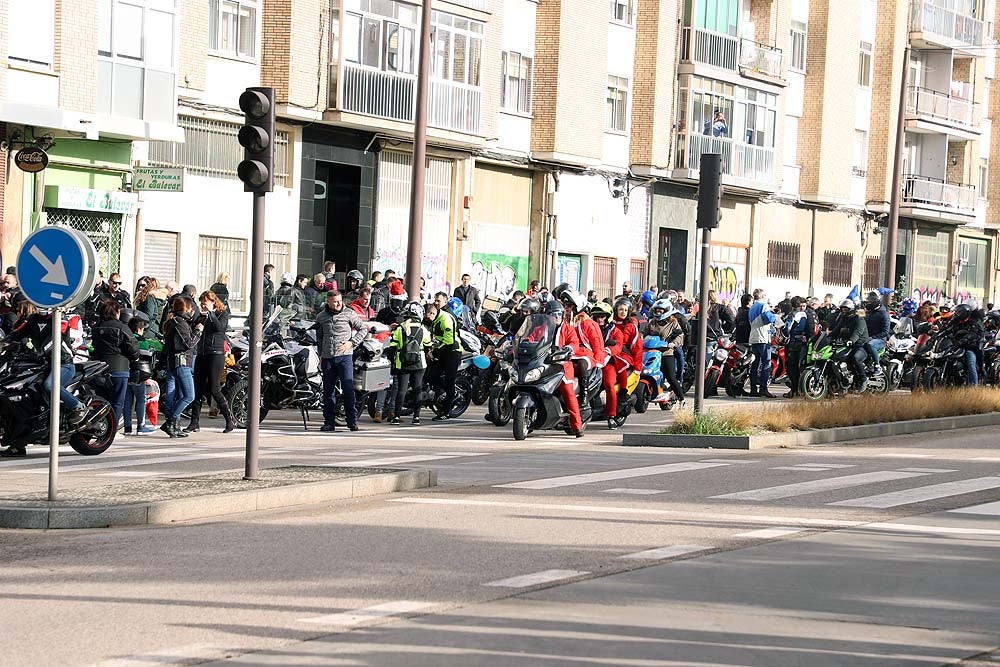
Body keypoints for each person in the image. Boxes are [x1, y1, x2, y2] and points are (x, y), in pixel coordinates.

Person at [315, 291, 367, 432]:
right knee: (328, 391)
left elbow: (363, 329)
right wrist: (320, 354)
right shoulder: (321, 317)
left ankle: (352, 421)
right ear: (328, 302)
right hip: (328, 358)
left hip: (345, 357)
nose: (338, 304)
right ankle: (329, 422)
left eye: (340, 300)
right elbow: (319, 337)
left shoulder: (349, 313)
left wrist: (352, 343)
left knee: (348, 389)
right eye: (335, 301)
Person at [185, 291, 234, 433]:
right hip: (202, 354)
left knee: (214, 389)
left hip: (216, 354)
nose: (203, 305)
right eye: (201, 302)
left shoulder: (222, 314)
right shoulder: (202, 316)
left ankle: (229, 419)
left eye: (205, 302)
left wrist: (211, 314)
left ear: (213, 302)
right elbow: (193, 329)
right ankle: (194, 422)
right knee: (198, 389)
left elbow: (220, 328)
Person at [90, 299, 140, 427]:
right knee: (117, 402)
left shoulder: (96, 328)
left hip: (99, 368)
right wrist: (134, 357)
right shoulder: (122, 327)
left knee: (101, 400)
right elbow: (133, 347)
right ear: (116, 313)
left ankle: (101, 426)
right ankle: (112, 428)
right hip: (119, 368)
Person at [160, 297, 203, 438]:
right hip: (182, 363)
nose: (192, 311)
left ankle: (175, 426)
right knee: (189, 396)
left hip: (176, 362)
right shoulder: (179, 323)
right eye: (191, 308)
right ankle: (171, 421)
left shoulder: (176, 322)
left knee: (179, 395)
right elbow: (188, 344)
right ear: (185, 309)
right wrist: (198, 332)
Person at [385, 302, 433, 425]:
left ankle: (396, 416)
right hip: (419, 362)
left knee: (401, 390)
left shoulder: (400, 328)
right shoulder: (423, 329)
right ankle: (416, 417)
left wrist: (392, 360)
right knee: (417, 388)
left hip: (402, 362)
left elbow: (392, 347)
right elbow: (428, 346)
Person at [543, 300, 584, 436]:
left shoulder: (568, 329)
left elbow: (574, 343)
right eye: (552, 315)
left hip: (562, 365)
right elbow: (531, 337)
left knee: (568, 392)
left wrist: (567, 349)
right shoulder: (541, 328)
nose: (555, 318)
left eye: (558, 315)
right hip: (544, 364)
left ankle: (577, 425)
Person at [605, 298, 644, 422]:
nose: (623, 312)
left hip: (624, 356)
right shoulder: (609, 324)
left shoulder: (631, 326)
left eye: (625, 310)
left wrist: (638, 368)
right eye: (621, 309)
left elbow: (637, 347)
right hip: (608, 354)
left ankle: (623, 392)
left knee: (621, 366)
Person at [427, 298, 464, 422]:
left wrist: (434, 352)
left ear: (432, 313)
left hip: (452, 352)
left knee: (449, 380)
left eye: (428, 315)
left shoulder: (445, 320)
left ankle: (446, 411)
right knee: (432, 375)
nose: (427, 318)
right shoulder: (433, 319)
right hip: (442, 350)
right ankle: (442, 393)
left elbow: (449, 341)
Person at [643, 299, 686, 406]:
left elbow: (680, 336)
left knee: (671, 377)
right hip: (651, 352)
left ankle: (682, 400)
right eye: (656, 310)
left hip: (666, 353)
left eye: (660, 311)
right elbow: (644, 334)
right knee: (644, 372)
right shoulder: (652, 322)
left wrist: (673, 343)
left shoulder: (673, 323)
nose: (658, 312)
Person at [123, 316, 157, 435]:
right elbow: (148, 356)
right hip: (139, 375)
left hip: (126, 373)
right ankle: (141, 426)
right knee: (141, 399)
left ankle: (127, 427)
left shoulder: (125, 340)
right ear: (139, 329)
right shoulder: (143, 342)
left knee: (127, 401)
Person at [748, 289, 783, 398]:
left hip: (754, 337)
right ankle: (763, 388)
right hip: (763, 337)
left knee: (755, 364)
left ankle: (753, 389)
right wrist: (777, 316)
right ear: (762, 296)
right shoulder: (764, 305)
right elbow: (768, 318)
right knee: (766, 363)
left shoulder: (752, 307)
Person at [829, 299, 870, 392]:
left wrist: (851, 341)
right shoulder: (844, 319)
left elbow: (857, 333)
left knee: (856, 358)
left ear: (851, 309)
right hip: (847, 345)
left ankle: (864, 380)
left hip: (860, 345)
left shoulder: (859, 319)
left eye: (846, 309)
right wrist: (827, 337)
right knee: (834, 357)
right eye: (842, 309)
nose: (844, 311)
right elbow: (836, 330)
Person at [783, 296, 817, 398]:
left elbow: (787, 329)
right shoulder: (802, 314)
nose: (802, 308)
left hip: (798, 344)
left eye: (804, 305)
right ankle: (796, 390)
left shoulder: (801, 314)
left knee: (795, 368)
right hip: (797, 344)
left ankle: (797, 390)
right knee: (794, 368)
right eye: (800, 306)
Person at [946, 303, 985, 385]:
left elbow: (972, 334)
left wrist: (961, 341)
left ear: (964, 313)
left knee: (971, 365)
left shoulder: (974, 322)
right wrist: (934, 338)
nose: (957, 314)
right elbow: (946, 330)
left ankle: (974, 386)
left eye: (959, 312)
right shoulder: (955, 321)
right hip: (955, 346)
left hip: (969, 347)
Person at [863, 290, 891, 375]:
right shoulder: (869, 312)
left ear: (875, 301)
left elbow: (885, 331)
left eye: (870, 301)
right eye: (868, 301)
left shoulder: (883, 314)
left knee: (871, 344)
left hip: (880, 340)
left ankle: (877, 365)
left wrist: (873, 337)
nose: (868, 303)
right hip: (868, 337)